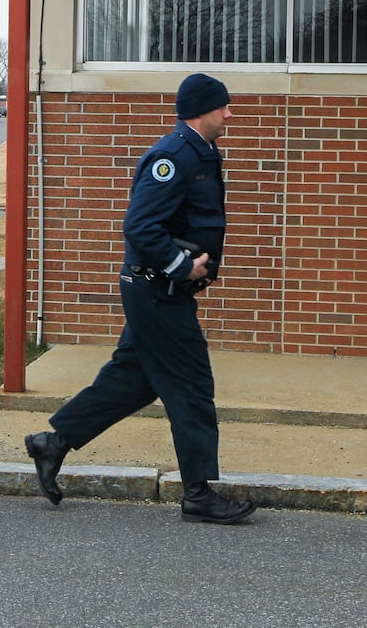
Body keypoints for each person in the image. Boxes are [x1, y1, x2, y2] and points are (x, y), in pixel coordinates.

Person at [24, 74, 255, 525]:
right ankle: (198, 492)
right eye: (223, 107)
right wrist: (181, 266)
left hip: (159, 292)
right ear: (201, 110)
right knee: (190, 386)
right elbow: (140, 226)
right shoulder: (172, 156)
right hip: (157, 291)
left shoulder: (198, 152)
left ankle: (52, 443)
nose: (230, 114)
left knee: (133, 380)